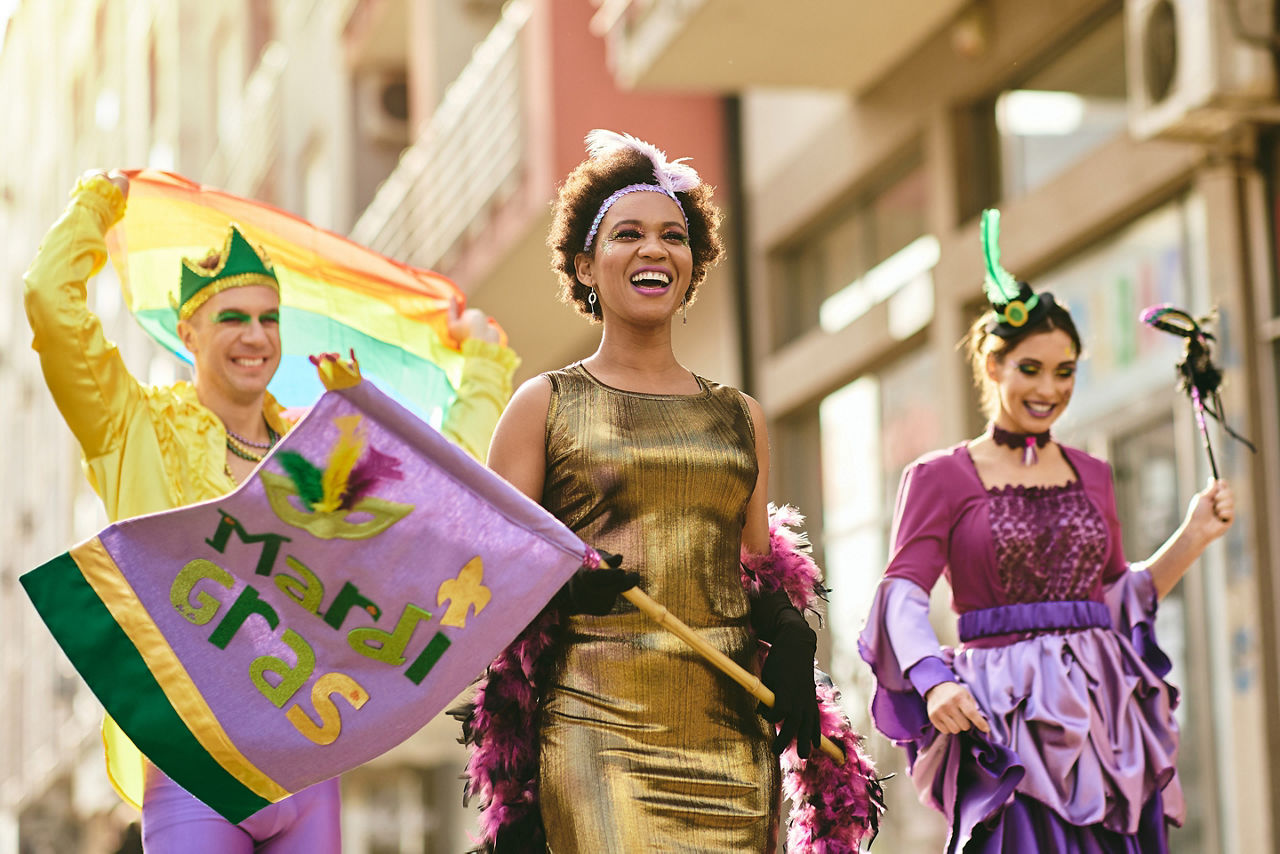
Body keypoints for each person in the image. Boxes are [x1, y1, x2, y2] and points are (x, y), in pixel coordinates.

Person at [23, 170, 520, 851]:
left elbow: (434, 498)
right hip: (194, 766)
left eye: (268, 318)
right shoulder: (133, 427)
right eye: (233, 317)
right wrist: (96, 203)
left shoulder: (317, 450)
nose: (255, 335)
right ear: (189, 332)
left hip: (309, 763)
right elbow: (51, 306)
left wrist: (485, 368)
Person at [460, 130, 835, 853]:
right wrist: (560, 589)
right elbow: (489, 569)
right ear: (585, 266)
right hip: (598, 725)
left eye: (673, 235)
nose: (654, 249)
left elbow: (755, 564)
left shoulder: (739, 415)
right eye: (627, 234)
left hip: (730, 728)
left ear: (693, 265)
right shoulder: (544, 404)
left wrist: (788, 628)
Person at [858, 209, 1236, 852]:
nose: (1049, 388)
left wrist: (1193, 536)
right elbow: (902, 592)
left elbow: (1117, 599)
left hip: (1104, 713)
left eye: (1065, 372)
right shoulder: (940, 476)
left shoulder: (1092, 473)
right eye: (1030, 368)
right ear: (993, 366)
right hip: (1007, 715)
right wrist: (933, 677)